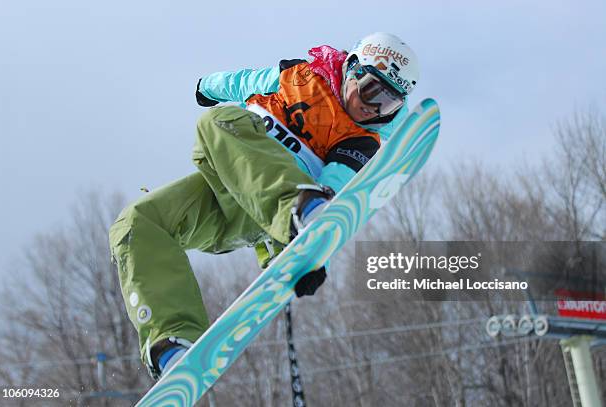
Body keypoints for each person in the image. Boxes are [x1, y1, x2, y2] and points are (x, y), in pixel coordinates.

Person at [108, 32, 419, 380]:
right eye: (372, 92)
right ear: (351, 69)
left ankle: (289, 218)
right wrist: (206, 86)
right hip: (224, 190)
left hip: (273, 214)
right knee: (136, 222)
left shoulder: (360, 139)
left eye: (389, 105)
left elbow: (335, 196)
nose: (373, 109)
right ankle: (172, 342)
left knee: (218, 122)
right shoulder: (296, 75)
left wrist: (317, 251)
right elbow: (244, 81)